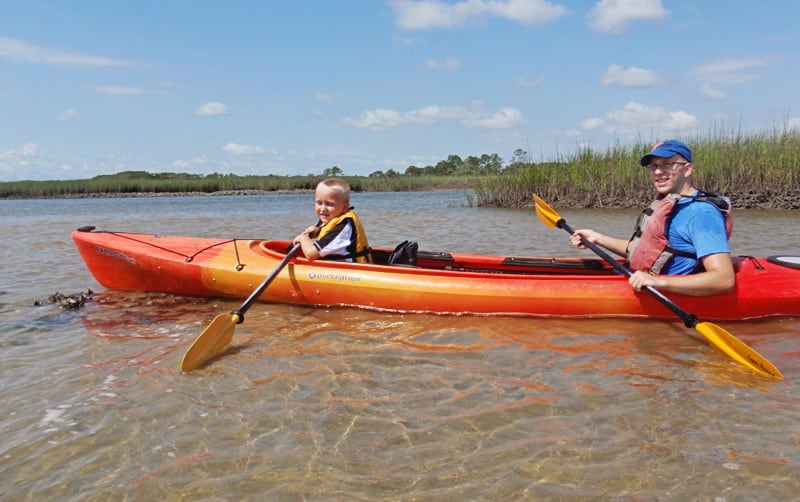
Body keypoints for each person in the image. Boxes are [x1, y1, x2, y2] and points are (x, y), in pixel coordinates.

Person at [569, 139, 735, 296]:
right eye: (653, 166)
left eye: (667, 164)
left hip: (661, 290)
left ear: (687, 169)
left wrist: (656, 281)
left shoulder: (701, 214)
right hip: (638, 279)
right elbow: (643, 250)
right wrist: (596, 238)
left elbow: (724, 280)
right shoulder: (669, 202)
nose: (658, 171)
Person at [293, 178, 372, 263]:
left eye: (329, 204)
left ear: (345, 207)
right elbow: (327, 232)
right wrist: (317, 231)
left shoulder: (343, 226)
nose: (323, 209)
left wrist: (303, 238)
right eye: (319, 203)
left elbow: (310, 254)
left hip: (351, 271)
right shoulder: (329, 217)